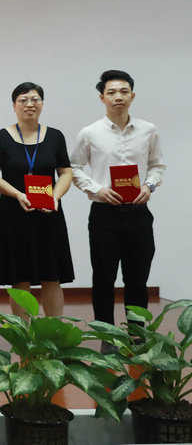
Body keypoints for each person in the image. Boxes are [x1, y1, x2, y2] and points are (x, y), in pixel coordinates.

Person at [70, 69, 165, 333]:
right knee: (103, 279)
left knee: (137, 280)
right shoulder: (89, 133)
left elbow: (157, 165)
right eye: (111, 92)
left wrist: (149, 185)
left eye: (124, 91)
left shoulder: (148, 130)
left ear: (133, 96)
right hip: (104, 215)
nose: (118, 97)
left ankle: (137, 335)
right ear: (102, 98)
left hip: (139, 213)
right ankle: (106, 335)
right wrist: (97, 189)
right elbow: (74, 167)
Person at [0, 82, 74, 317]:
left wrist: (55, 197)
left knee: (52, 276)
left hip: (49, 213)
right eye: (23, 100)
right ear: (14, 105)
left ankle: (53, 331)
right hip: (15, 214)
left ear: (42, 104)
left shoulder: (55, 136)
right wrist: (18, 194)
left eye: (35, 99)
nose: (29, 104)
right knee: (20, 277)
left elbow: (66, 173)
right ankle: (23, 334)